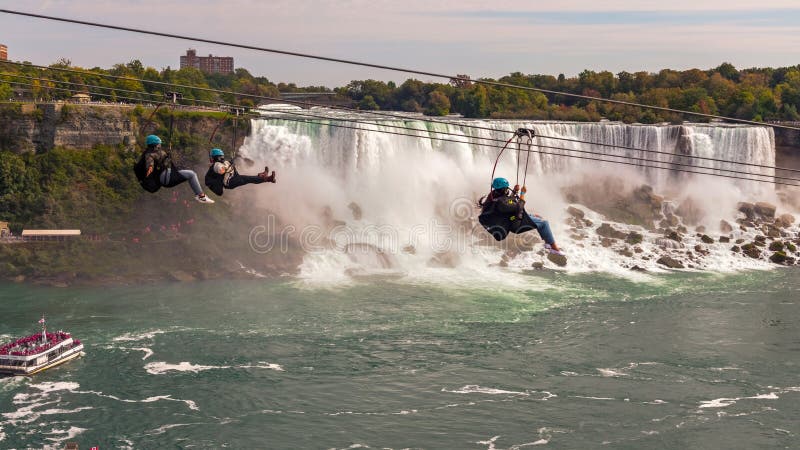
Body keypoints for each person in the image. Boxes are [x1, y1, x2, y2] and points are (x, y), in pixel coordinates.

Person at [478, 177, 564, 255]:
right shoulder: (501, 203)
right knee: (544, 223)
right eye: (507, 188)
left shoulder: (494, 197)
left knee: (538, 217)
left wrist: (514, 192)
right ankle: (554, 249)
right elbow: (519, 206)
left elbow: (508, 203)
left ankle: (548, 243)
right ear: (504, 189)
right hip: (515, 224)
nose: (508, 190)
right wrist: (522, 193)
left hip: (509, 219)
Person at [137, 135, 214, 203]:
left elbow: (160, 160)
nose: (160, 145)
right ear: (155, 145)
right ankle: (201, 196)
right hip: (165, 178)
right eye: (159, 144)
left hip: (165, 175)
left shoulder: (153, 152)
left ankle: (200, 195)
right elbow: (150, 167)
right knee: (191, 174)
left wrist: (167, 156)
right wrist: (151, 172)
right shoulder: (149, 155)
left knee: (186, 171)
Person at [204, 148, 276, 196]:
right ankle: (267, 178)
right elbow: (221, 170)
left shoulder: (221, 163)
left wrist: (230, 164)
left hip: (233, 177)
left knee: (248, 178)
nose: (222, 158)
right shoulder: (216, 165)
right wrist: (228, 166)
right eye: (221, 156)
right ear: (219, 156)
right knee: (247, 179)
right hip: (230, 182)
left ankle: (262, 176)